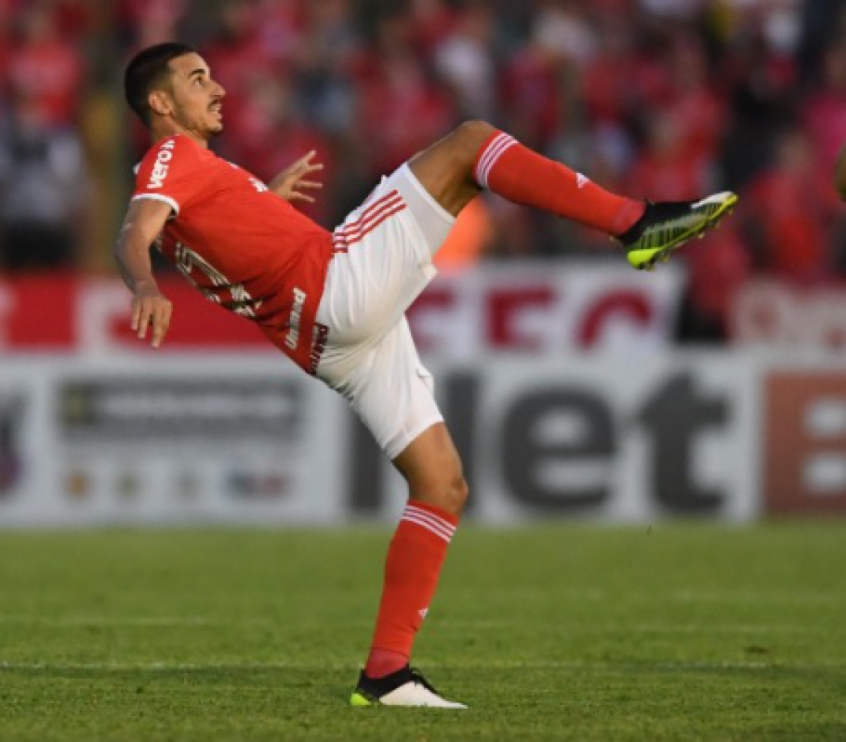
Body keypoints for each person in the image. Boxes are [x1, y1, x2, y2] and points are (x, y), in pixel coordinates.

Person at [116, 42, 737, 709]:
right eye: (197, 78)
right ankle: (636, 222)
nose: (218, 89)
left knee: (441, 485)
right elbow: (133, 229)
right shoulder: (169, 159)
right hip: (337, 285)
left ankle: (386, 673)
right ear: (160, 102)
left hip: (329, 343)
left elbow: (211, 233)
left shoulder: (190, 172)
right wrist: (146, 286)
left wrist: (264, 199)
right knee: (470, 143)